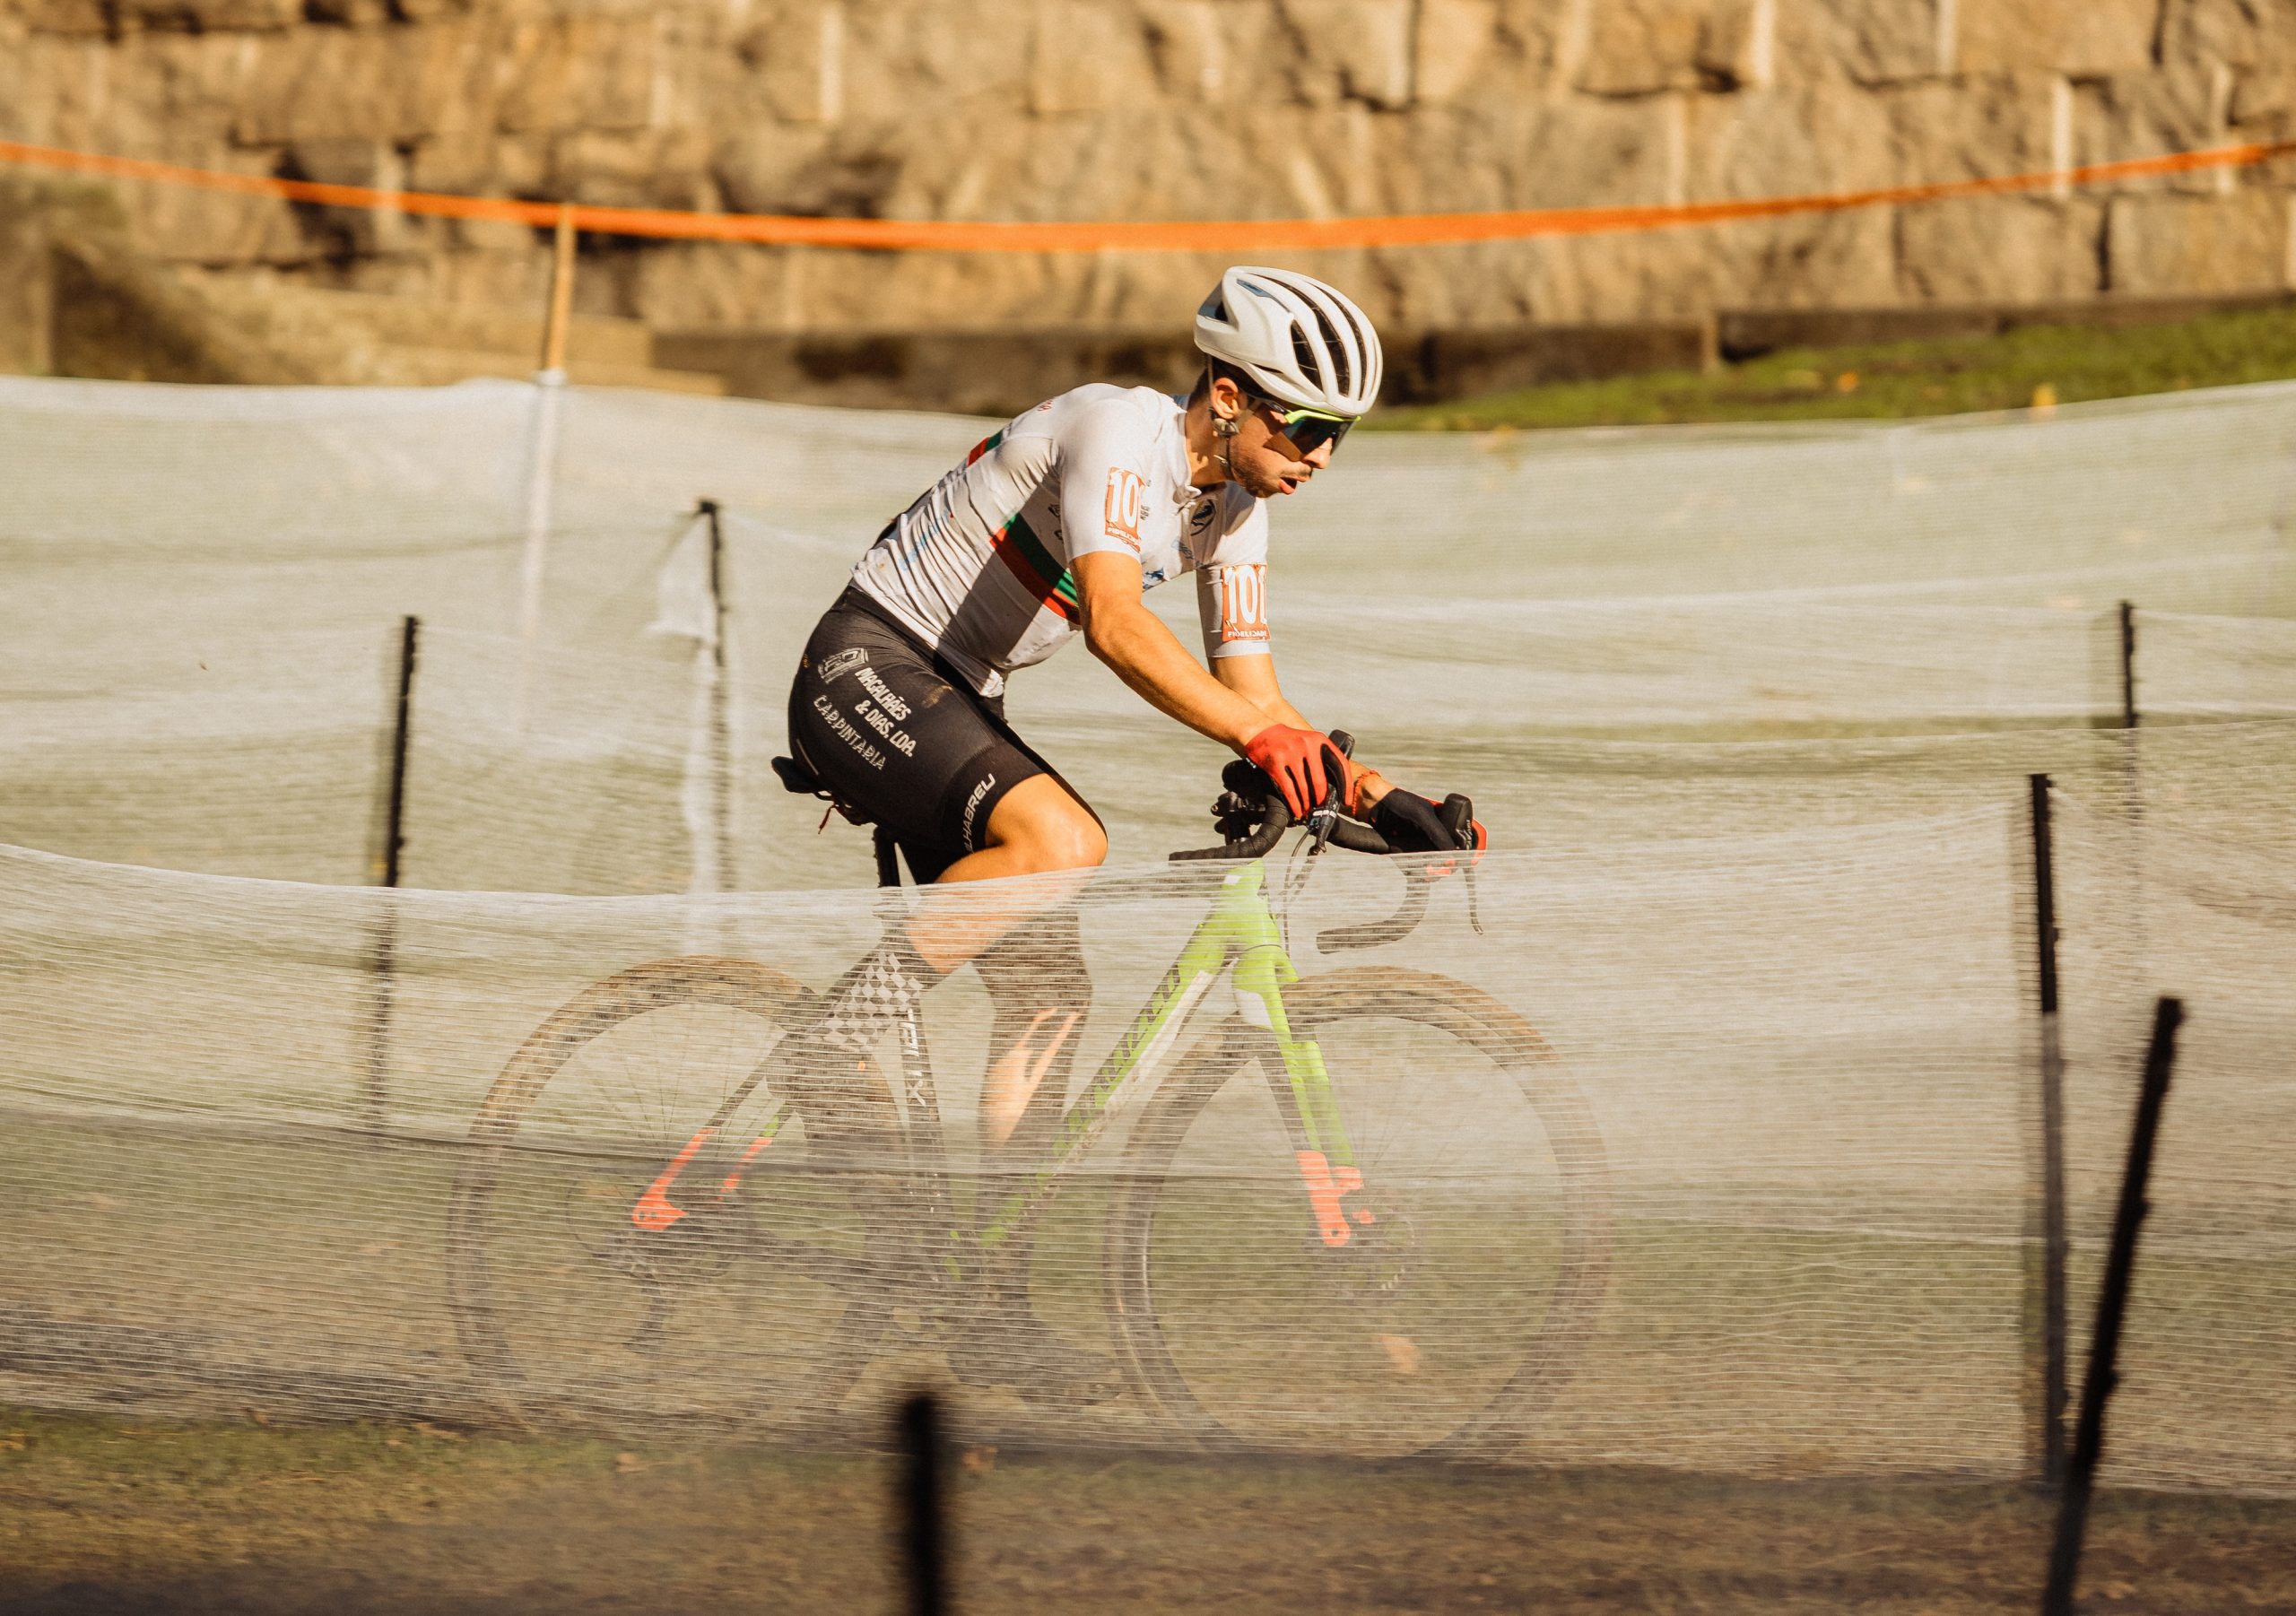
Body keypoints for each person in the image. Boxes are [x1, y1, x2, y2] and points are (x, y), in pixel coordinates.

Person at [777, 265, 1481, 1387]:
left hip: (959, 695)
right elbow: (1113, 619)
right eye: (1303, 425)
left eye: (1339, 435)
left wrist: (1381, 794)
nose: (1319, 458)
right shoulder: (1118, 429)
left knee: (1050, 990)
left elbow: (1254, 689)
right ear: (1228, 395)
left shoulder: (1233, 509)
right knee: (1064, 842)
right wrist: (1263, 748)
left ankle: (984, 1300)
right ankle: (827, 1043)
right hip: (869, 659)